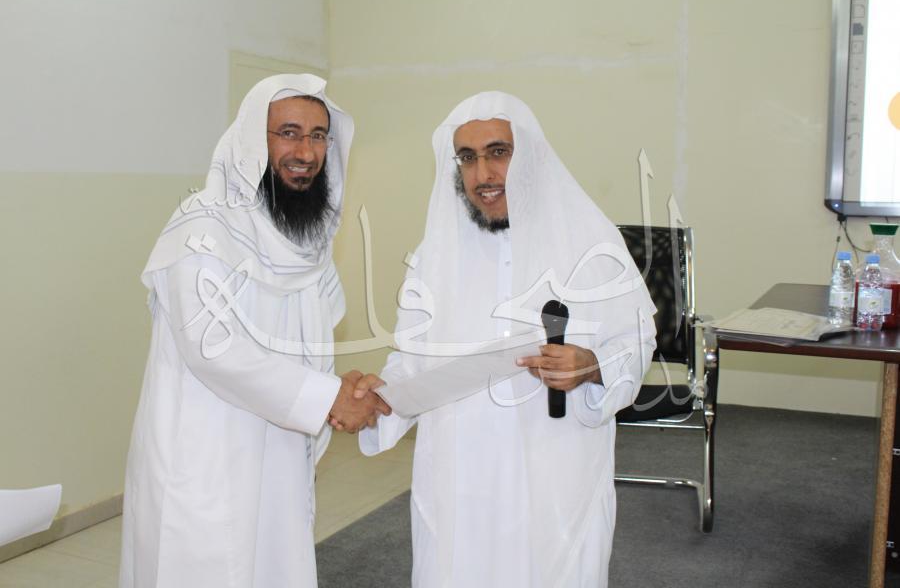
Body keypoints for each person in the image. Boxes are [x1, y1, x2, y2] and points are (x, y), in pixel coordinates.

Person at [355, 92, 658, 587]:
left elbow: (637, 337)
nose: (483, 174)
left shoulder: (590, 243)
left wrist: (594, 365)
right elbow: (411, 358)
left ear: (530, 157)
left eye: (498, 152)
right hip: (460, 471)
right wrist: (379, 397)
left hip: (556, 468)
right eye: (467, 157)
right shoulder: (435, 254)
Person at [119, 74, 389, 588]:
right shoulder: (202, 226)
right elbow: (213, 350)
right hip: (206, 457)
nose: (306, 152)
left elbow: (306, 343)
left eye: (317, 136)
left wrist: (341, 388)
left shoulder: (304, 240)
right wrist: (329, 398)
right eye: (288, 133)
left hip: (281, 455)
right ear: (250, 141)